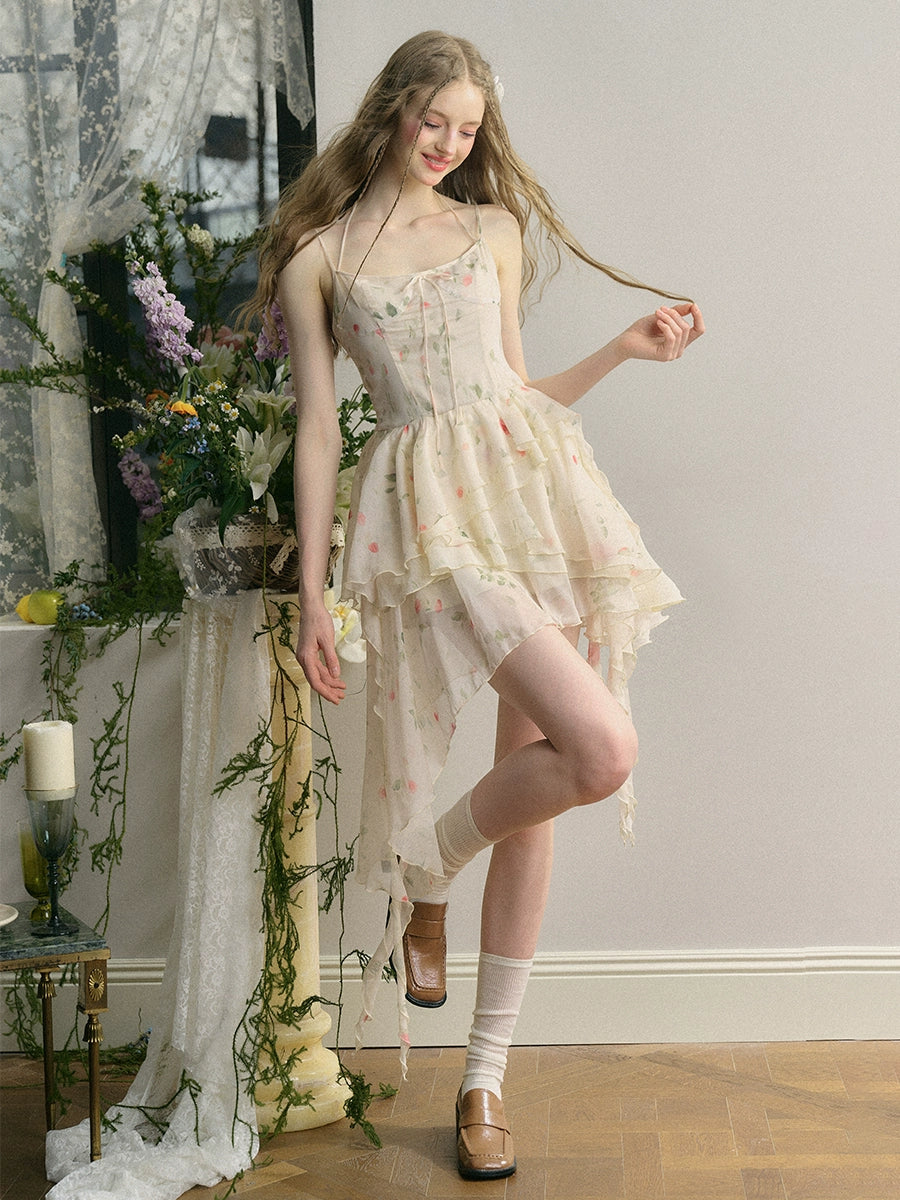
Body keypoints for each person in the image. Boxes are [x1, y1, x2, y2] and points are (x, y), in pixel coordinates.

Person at [250, 30, 703, 1181]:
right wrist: (315, 591)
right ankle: (428, 867)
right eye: (433, 121)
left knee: (539, 789)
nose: (450, 144)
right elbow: (319, 429)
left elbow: (512, 390)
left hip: (537, 496)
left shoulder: (493, 230)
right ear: (391, 110)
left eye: (468, 128)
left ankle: (484, 1081)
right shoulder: (320, 257)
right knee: (601, 750)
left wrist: (621, 352)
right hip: (435, 528)